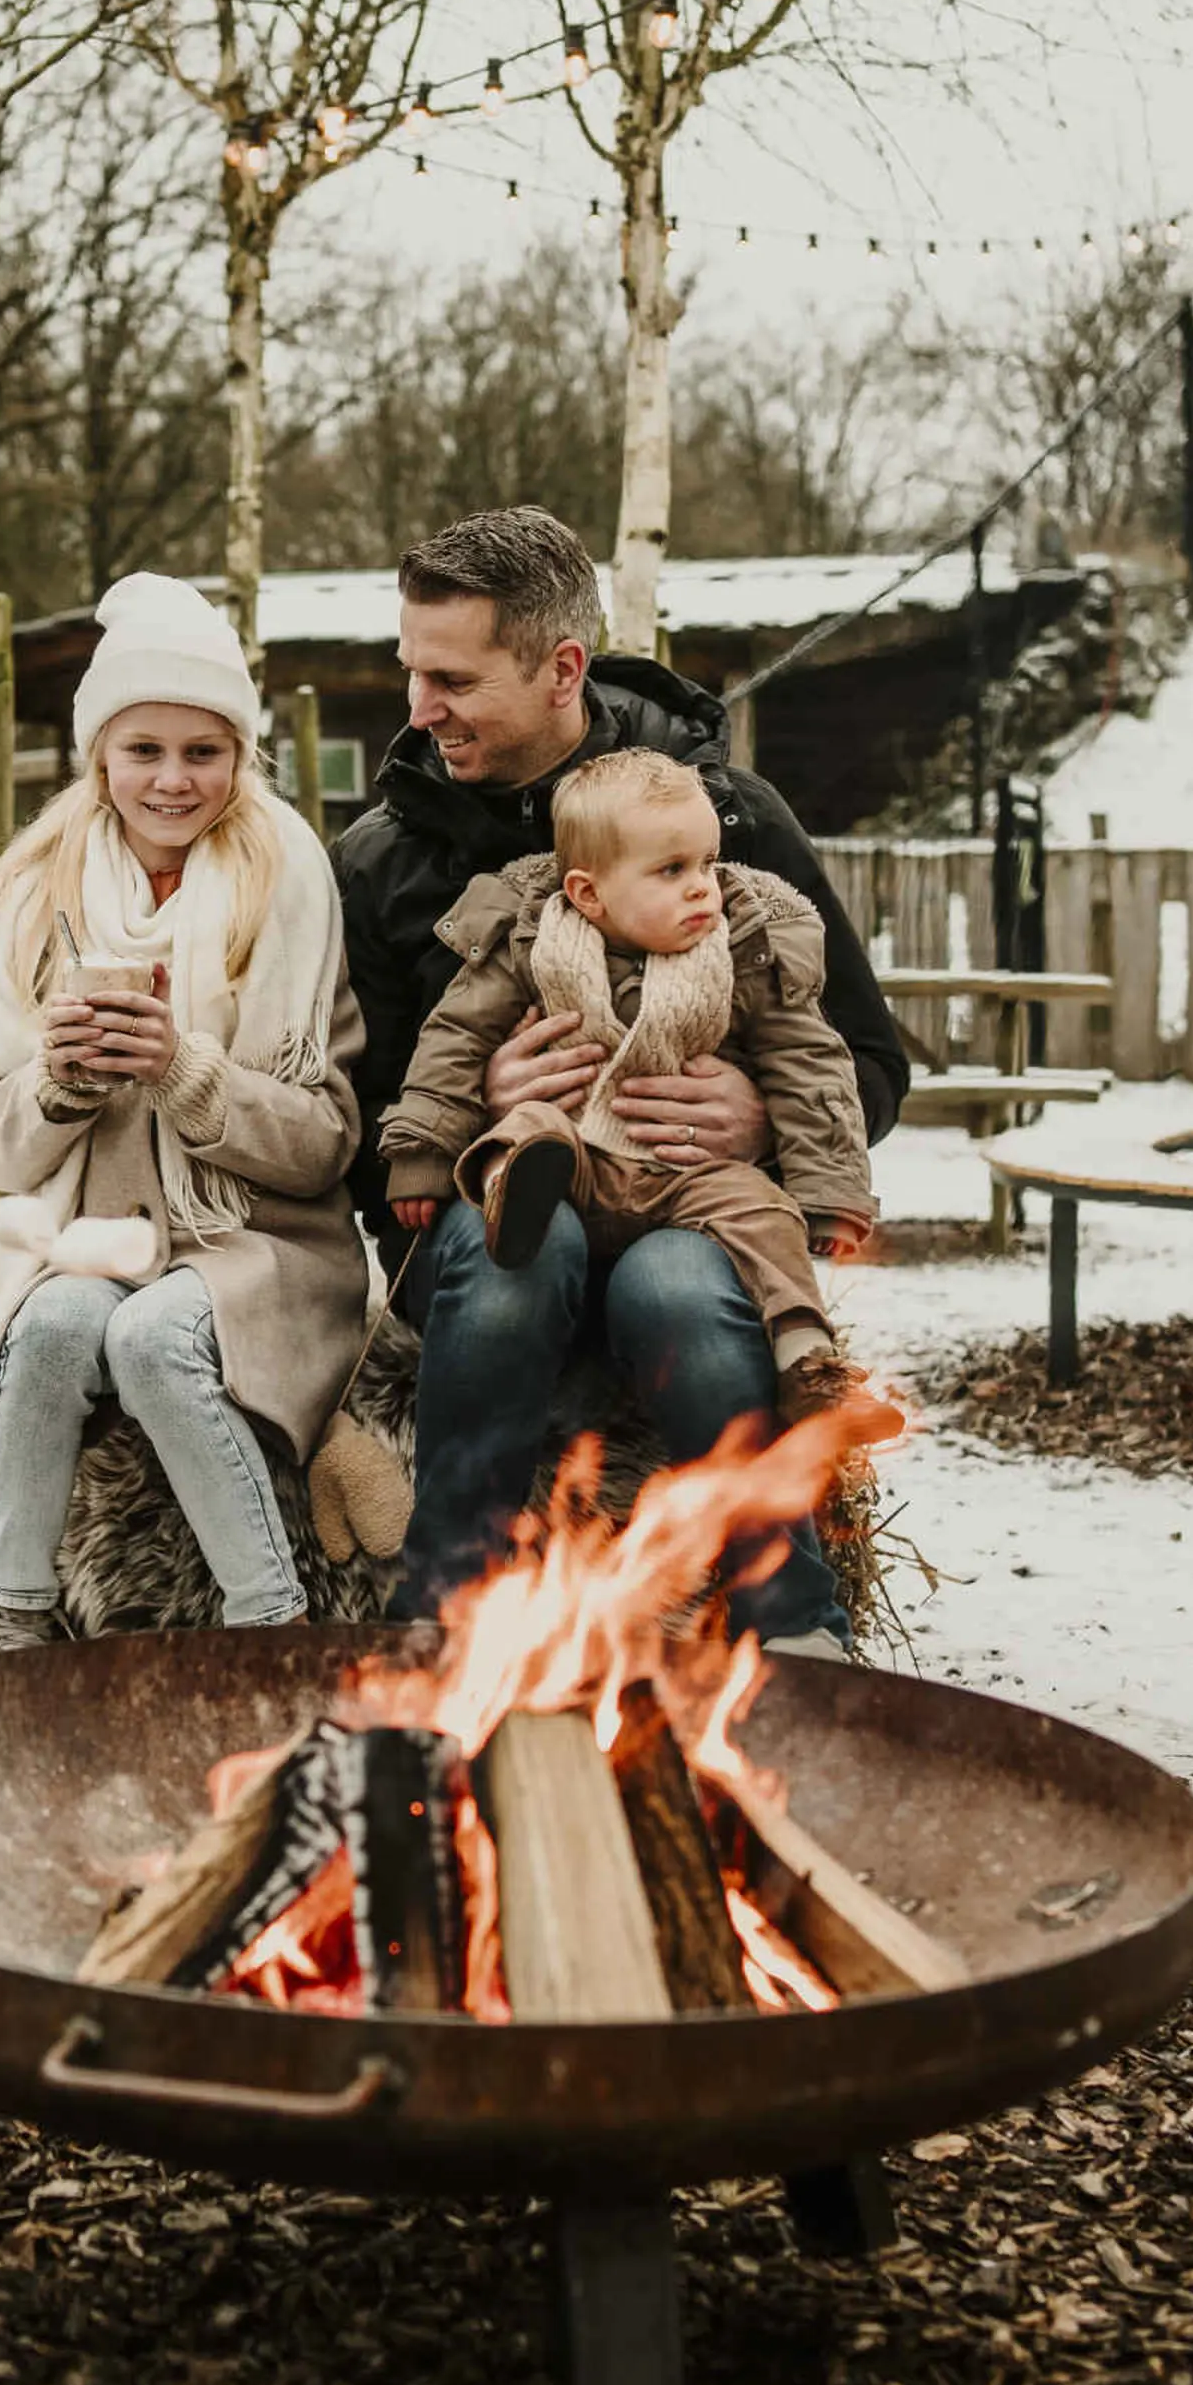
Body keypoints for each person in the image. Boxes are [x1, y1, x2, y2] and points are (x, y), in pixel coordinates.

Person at [332, 508, 907, 1650]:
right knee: (519, 1248)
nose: (417, 709)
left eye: (452, 679)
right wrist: (481, 1110)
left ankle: (792, 1621)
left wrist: (759, 1127)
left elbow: (868, 1064)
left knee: (679, 1290)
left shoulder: (725, 824)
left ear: (562, 669)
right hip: (497, 1219)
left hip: (685, 1219)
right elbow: (351, 1136)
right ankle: (444, 1605)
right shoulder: (379, 861)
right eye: (411, 671)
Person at [0, 572, 368, 1649]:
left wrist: (189, 1075)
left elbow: (324, 1148)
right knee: (48, 1329)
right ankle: (10, 1622)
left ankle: (271, 1621)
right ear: (99, 757)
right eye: (144, 750)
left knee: (156, 1336)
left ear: (241, 754)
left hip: (258, 1242)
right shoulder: (35, 898)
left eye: (203, 750)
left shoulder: (290, 884)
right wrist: (58, 1088)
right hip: (90, 1233)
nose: (173, 780)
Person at [375, 749, 875, 1377]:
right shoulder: (532, 941)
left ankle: (807, 1358)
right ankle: (510, 1185)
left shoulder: (743, 950)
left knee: (760, 1210)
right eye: (671, 870)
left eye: (708, 863)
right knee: (529, 1130)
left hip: (684, 1175)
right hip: (573, 1155)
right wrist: (422, 1151)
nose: (702, 886)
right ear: (588, 894)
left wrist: (828, 1189)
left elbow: (810, 1060)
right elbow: (454, 1036)